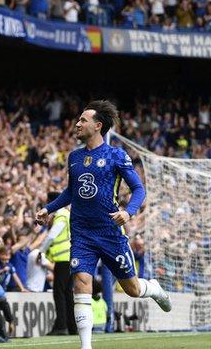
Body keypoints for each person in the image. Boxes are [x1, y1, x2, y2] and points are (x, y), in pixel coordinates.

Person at [36, 100, 172, 349]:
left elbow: (139, 189)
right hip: (82, 232)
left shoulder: (116, 155)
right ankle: (86, 346)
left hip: (110, 232)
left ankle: (152, 289)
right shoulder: (74, 157)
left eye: (83, 120)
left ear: (98, 126)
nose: (77, 124)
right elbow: (71, 192)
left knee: (131, 288)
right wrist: (48, 208)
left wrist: (128, 212)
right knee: (81, 283)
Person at [39, 191, 76, 335]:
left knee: (59, 294)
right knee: (68, 294)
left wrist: (41, 251)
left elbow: (51, 236)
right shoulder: (68, 215)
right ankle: (72, 327)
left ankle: (61, 326)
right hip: (70, 258)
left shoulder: (61, 215)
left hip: (62, 260)